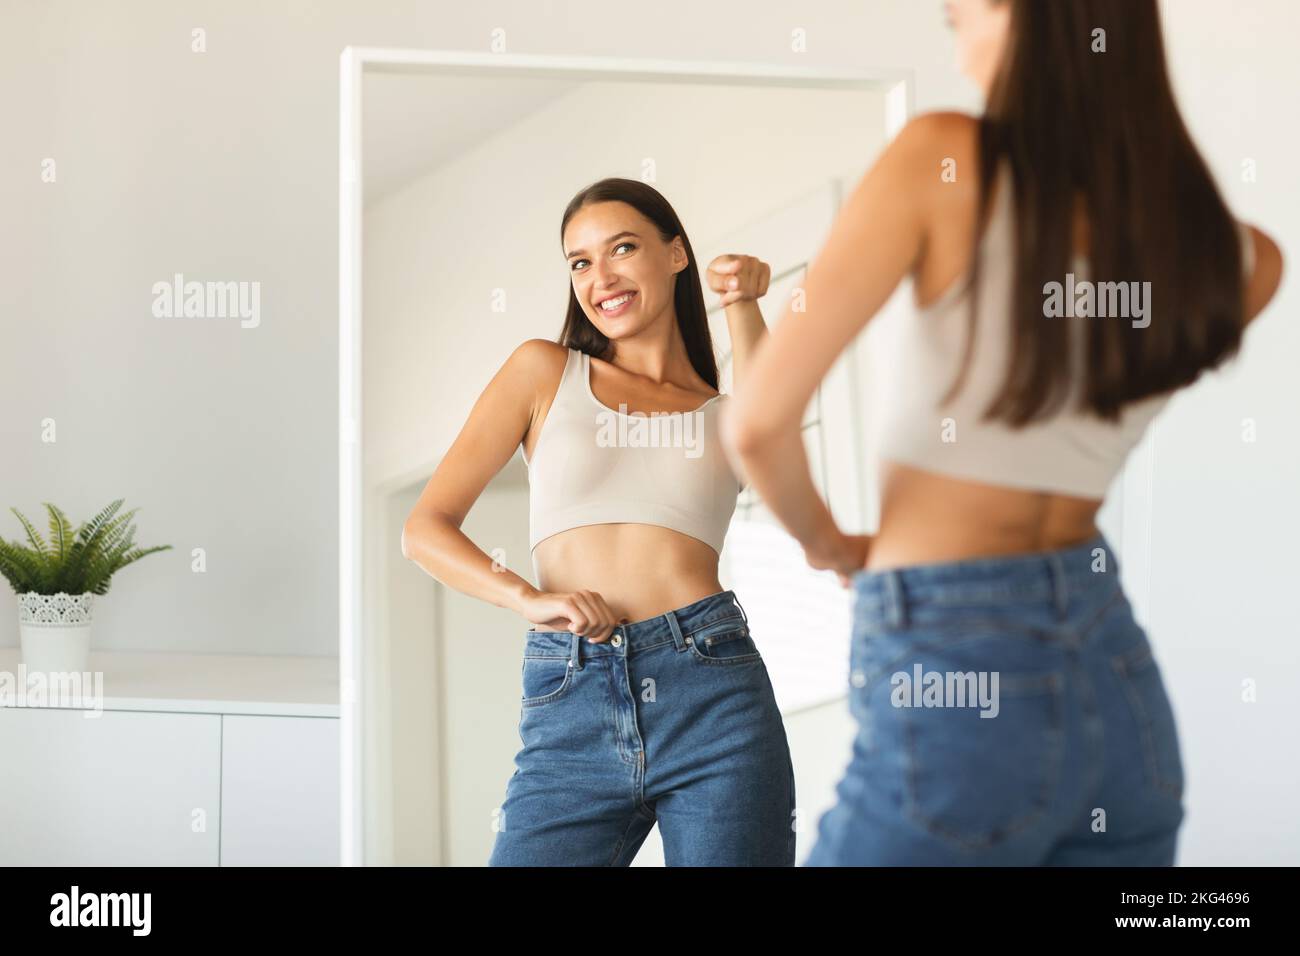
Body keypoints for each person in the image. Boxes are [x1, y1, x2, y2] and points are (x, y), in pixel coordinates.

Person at [720, 0, 1284, 865]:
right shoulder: (1237, 258)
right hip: (1113, 671)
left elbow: (757, 422)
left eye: (962, 19)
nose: (959, 48)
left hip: (957, 654)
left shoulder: (943, 159)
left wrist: (831, 547)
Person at [401, 177, 797, 865]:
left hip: (713, 688)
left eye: (621, 248)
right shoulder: (543, 370)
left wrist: (742, 305)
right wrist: (528, 596)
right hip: (570, 690)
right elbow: (425, 528)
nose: (599, 277)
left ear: (676, 255)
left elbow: (779, 443)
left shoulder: (724, 415)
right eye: (580, 262)